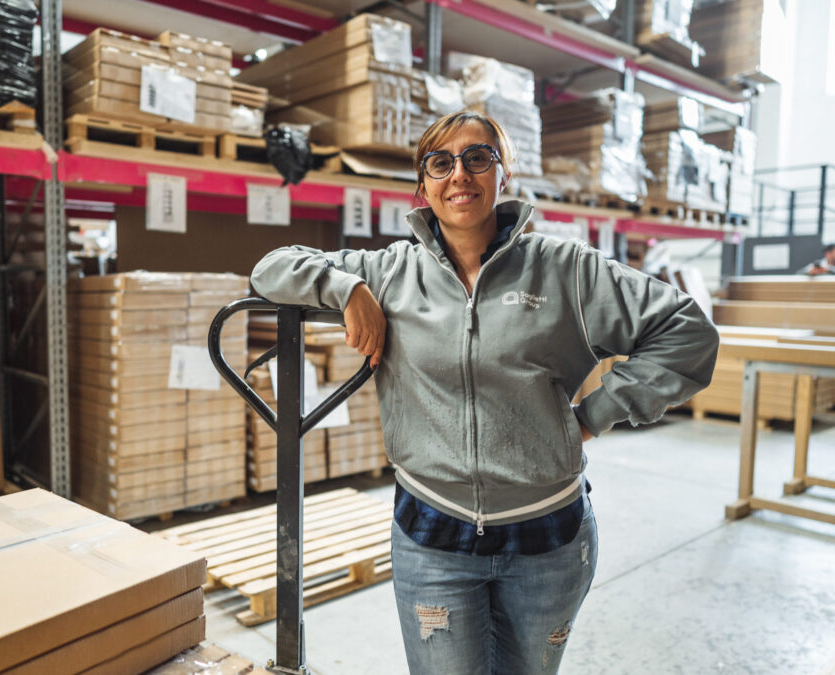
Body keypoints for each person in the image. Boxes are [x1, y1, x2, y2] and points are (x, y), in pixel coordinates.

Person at [250, 110, 719, 674]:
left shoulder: (566, 271)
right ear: (423, 185)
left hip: (548, 537)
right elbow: (271, 268)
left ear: (504, 174)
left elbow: (688, 332)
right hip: (433, 534)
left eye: (477, 158)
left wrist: (594, 414)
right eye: (440, 163)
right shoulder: (390, 273)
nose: (459, 175)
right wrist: (347, 288)